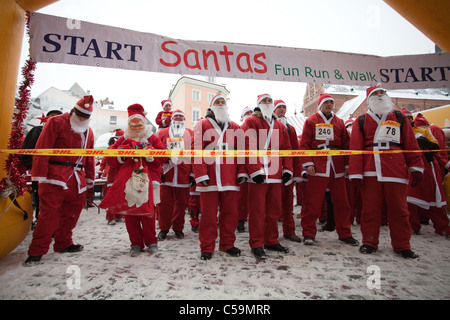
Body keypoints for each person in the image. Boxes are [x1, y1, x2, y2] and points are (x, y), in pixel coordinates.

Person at [349, 85, 424, 259]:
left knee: (399, 209)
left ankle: (402, 244)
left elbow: (410, 143)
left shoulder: (399, 118)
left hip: (396, 169)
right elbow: (355, 149)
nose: (380, 95)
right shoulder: (361, 120)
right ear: (369, 99)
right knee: (370, 209)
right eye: (376, 94)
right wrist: (355, 173)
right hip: (370, 170)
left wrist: (416, 166)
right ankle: (369, 242)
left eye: (382, 93)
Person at [24, 96, 96, 266]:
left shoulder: (89, 131)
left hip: (77, 178)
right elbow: (42, 148)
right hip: (54, 177)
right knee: (48, 215)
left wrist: (89, 178)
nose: (81, 119)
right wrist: (39, 175)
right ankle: (37, 250)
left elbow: (90, 156)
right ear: (73, 111)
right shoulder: (55, 122)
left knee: (72, 213)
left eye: (85, 116)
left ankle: (64, 243)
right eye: (79, 114)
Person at [99, 104, 166, 257]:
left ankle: (152, 242)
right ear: (128, 125)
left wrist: (151, 155)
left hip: (149, 181)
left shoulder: (152, 138)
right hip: (128, 182)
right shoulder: (123, 139)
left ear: (144, 123)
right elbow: (110, 158)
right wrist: (122, 156)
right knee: (130, 213)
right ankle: (135, 243)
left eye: (139, 124)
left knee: (148, 213)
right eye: (132, 124)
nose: (136, 127)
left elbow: (163, 155)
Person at [299, 93, 358, 246]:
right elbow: (304, 144)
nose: (329, 105)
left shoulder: (339, 122)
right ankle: (308, 233)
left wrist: (347, 165)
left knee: (342, 203)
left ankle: (345, 233)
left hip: (336, 167)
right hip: (318, 166)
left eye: (331, 103)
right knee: (313, 202)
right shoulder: (311, 121)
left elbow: (347, 145)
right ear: (320, 105)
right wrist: (308, 163)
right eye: (326, 103)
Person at [192, 94, 246, 260]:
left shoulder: (236, 127)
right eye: (218, 102)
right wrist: (201, 174)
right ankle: (207, 247)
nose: (221, 104)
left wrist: (242, 172)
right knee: (208, 216)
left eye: (223, 102)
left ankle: (227, 244)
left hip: (230, 177)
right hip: (210, 177)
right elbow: (196, 150)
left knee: (230, 214)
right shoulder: (202, 124)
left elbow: (242, 152)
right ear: (212, 106)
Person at [241, 93, 293, 259]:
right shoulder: (251, 121)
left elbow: (286, 148)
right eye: (264, 101)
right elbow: (247, 145)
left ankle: (271, 240)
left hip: (275, 172)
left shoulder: (279, 125)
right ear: (258, 104)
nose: (268, 103)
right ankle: (256, 243)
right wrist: (255, 170)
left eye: (270, 101)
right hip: (259, 175)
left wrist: (288, 169)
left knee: (274, 210)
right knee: (257, 211)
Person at [406, 112, 450, 236]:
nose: (408, 121)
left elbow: (435, 147)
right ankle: (412, 225)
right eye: (406, 119)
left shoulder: (424, 131)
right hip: (408, 166)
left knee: (435, 196)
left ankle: (442, 225)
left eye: (410, 118)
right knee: (408, 199)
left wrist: (426, 143)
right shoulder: (399, 132)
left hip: (428, 166)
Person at [20, 109, 63, 227]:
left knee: (58, 200)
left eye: (57, 117)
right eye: (52, 117)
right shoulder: (36, 131)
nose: (54, 120)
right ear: (45, 119)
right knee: (41, 199)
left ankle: (55, 225)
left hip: (59, 174)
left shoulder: (63, 135)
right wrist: (35, 169)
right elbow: (26, 153)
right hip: (41, 174)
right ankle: (41, 224)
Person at [157, 109, 194, 240]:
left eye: (181, 116)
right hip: (166, 173)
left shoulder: (190, 133)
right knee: (164, 204)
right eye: (176, 116)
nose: (178, 118)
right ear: (172, 119)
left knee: (181, 204)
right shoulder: (162, 133)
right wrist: (163, 160)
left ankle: (178, 228)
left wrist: (192, 174)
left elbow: (194, 155)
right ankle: (163, 228)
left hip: (183, 172)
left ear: (184, 119)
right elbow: (156, 151)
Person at [273, 99, 302, 242]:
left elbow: (294, 151)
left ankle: (289, 231)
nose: (282, 109)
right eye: (279, 107)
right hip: (272, 169)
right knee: (272, 204)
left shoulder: (290, 128)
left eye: (284, 107)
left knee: (288, 202)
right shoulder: (269, 125)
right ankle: (270, 236)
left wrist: (295, 171)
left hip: (287, 170)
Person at [99, 128, 125, 225]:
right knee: (112, 196)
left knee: (121, 196)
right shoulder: (112, 148)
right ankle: (111, 216)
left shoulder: (124, 147)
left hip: (119, 174)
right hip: (112, 174)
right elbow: (106, 161)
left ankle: (119, 215)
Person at [236, 106, 253, 232]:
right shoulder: (240, 129)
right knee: (241, 197)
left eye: (251, 112)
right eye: (247, 113)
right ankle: (240, 220)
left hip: (256, 166)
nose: (250, 114)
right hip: (243, 167)